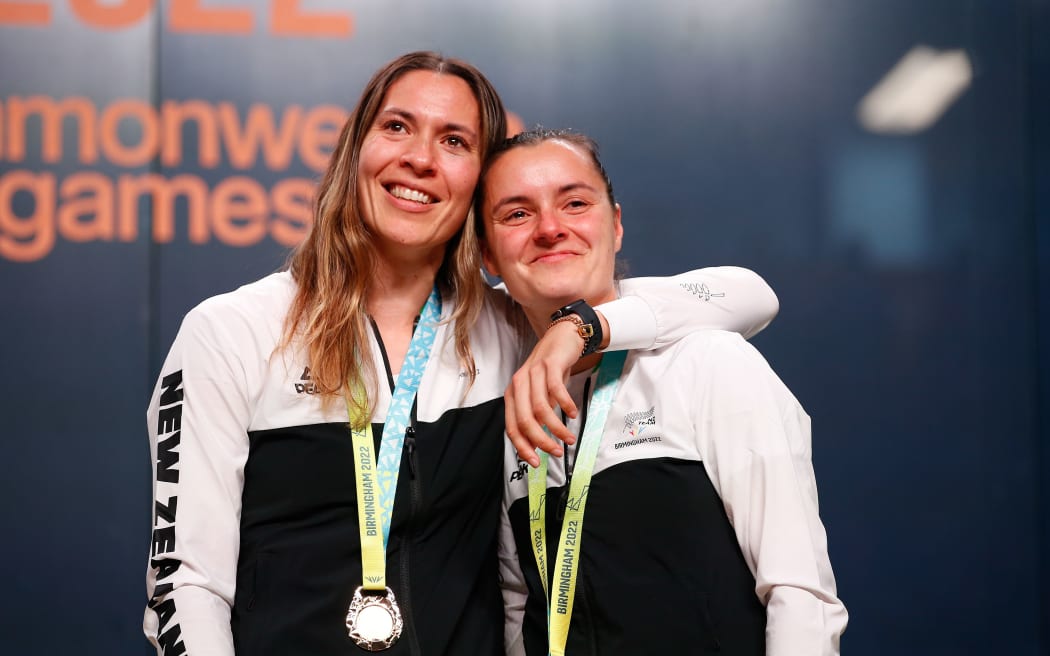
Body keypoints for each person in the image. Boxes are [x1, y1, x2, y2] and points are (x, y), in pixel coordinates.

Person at [143, 53, 779, 655]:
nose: (421, 159)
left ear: (476, 185)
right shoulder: (233, 333)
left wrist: (579, 327)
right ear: (354, 151)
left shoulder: (508, 332)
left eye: (454, 141)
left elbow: (747, 295)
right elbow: (184, 585)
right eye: (397, 127)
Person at [478, 129, 848, 656]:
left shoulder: (709, 364)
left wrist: (583, 326)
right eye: (516, 214)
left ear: (617, 225)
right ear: (488, 256)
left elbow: (801, 595)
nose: (550, 228)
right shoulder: (511, 405)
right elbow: (519, 606)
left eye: (575, 203)